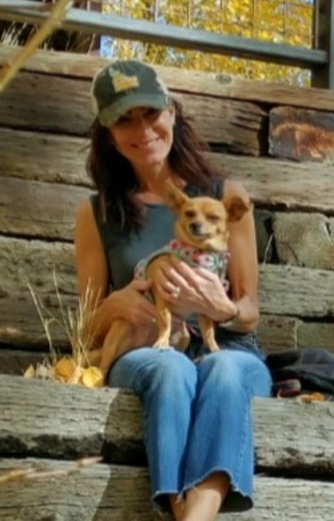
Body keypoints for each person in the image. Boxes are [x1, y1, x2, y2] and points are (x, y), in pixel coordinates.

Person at [74, 59, 272, 521]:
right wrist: (117, 303)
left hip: (229, 348)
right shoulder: (97, 213)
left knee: (223, 369)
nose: (143, 130)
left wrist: (222, 307)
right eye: (125, 120)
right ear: (108, 134)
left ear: (172, 112)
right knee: (171, 368)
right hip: (146, 350)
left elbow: (249, 312)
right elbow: (86, 331)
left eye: (151, 113)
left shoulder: (225, 196)